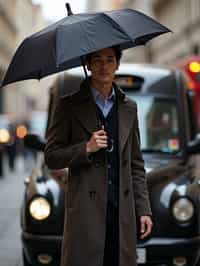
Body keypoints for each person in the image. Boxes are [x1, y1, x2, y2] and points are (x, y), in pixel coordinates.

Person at [44, 46, 153, 266]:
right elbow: (52, 156)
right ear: (88, 64)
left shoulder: (129, 108)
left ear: (117, 64)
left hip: (120, 213)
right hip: (86, 214)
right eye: (97, 60)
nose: (104, 66)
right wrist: (85, 148)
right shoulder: (68, 106)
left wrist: (143, 210)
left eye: (109, 59)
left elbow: (136, 164)